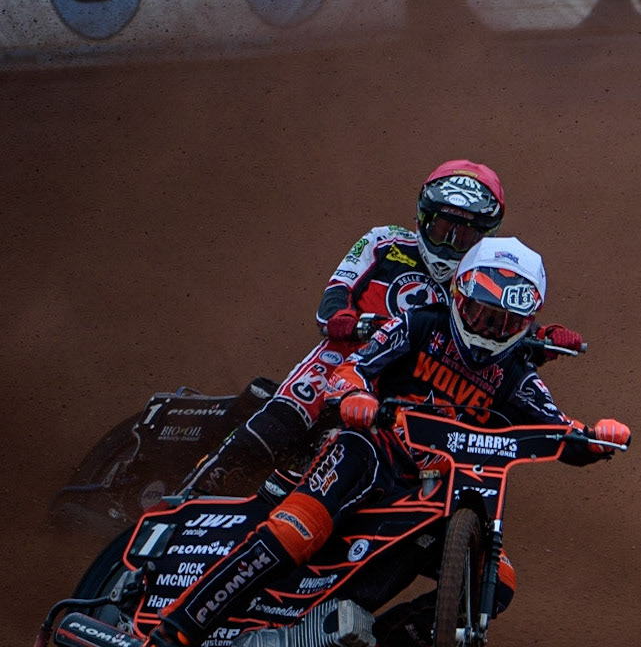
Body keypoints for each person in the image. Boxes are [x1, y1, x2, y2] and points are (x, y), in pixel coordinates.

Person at [131, 237, 630, 647]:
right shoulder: (421, 323)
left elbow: (561, 433)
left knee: (495, 582)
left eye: (503, 322)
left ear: (524, 323)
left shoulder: (516, 373)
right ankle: (173, 636)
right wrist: (356, 396)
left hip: (433, 488)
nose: (487, 330)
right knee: (297, 529)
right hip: (370, 449)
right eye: (480, 312)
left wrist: (598, 437)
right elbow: (353, 367)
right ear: (460, 295)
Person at [188, 161, 587, 496]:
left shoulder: (483, 280)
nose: (450, 244)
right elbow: (333, 300)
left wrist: (544, 339)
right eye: (442, 229)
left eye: (465, 236)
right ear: (422, 218)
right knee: (294, 407)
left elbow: (497, 339)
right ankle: (190, 495)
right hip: (350, 359)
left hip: (410, 389)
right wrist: (349, 321)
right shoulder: (383, 242)